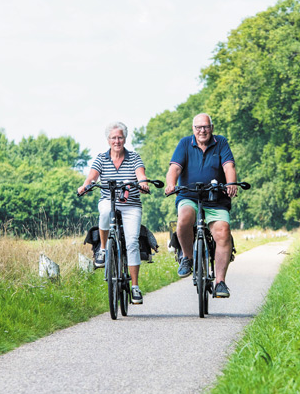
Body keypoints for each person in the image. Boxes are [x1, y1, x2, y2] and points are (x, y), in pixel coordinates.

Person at [165, 113, 238, 298]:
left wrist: (230, 183)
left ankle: (220, 282)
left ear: (211, 128)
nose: (202, 131)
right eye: (198, 127)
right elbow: (175, 168)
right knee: (184, 219)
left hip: (215, 197)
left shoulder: (220, 142)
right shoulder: (184, 144)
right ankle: (187, 258)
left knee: (223, 231)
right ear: (193, 129)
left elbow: (228, 166)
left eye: (205, 127)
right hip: (189, 194)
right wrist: (171, 184)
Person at [78, 121, 150, 305]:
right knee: (104, 213)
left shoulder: (134, 157)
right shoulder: (101, 158)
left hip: (131, 205)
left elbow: (140, 174)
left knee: (132, 242)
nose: (117, 141)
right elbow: (92, 177)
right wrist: (85, 186)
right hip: (108, 201)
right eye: (113, 138)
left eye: (120, 137)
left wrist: (143, 183)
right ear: (108, 140)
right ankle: (103, 249)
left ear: (125, 139)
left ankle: (135, 287)